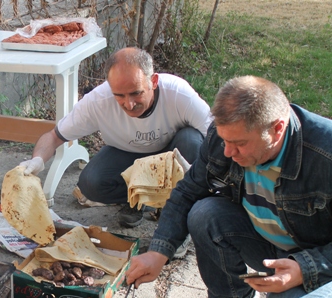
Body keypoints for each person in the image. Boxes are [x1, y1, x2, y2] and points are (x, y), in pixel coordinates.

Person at [126, 76, 332, 298]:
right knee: (204, 212)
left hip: (318, 257)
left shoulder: (325, 154)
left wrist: (304, 269)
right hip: (271, 244)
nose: (227, 151)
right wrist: (158, 252)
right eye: (223, 139)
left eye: (239, 143)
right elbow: (188, 191)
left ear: (277, 128)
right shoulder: (225, 136)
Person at [20, 47, 212, 233]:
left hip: (173, 152)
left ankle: (180, 212)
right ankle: (140, 199)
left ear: (153, 81)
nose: (129, 104)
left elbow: (217, 135)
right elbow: (53, 136)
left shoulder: (178, 93)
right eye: (119, 95)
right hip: (128, 155)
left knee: (192, 141)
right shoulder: (98, 101)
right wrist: (37, 160)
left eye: (136, 93)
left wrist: (205, 179)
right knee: (91, 183)